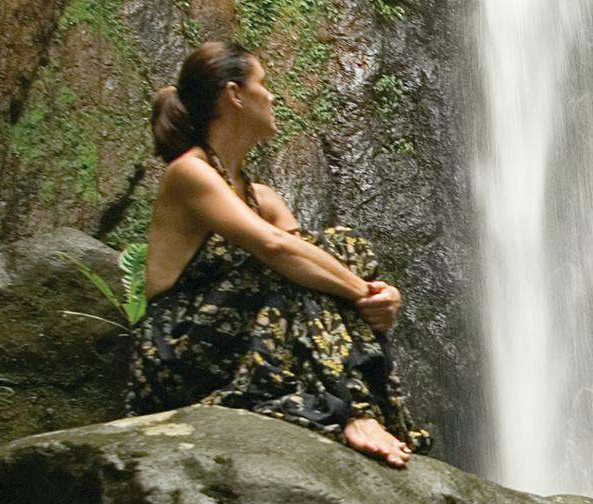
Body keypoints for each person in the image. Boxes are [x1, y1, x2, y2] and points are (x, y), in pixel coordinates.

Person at [127, 41, 426, 469]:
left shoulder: (260, 197)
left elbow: (315, 256)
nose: (272, 97)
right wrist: (362, 291)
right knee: (284, 263)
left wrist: (385, 296)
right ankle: (354, 412)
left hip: (235, 347)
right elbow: (277, 248)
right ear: (234, 94)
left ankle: (360, 408)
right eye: (263, 85)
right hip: (178, 352)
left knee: (336, 247)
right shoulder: (188, 173)